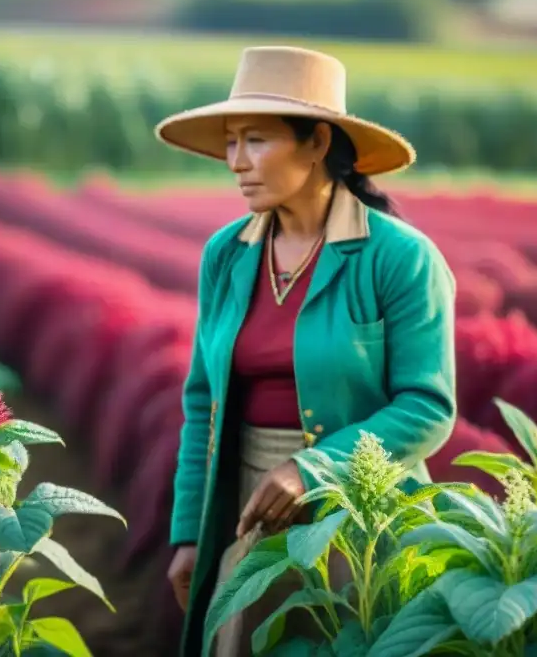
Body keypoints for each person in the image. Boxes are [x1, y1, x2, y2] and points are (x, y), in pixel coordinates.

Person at [154, 46, 457, 656]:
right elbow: (201, 402)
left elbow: (427, 406)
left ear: (318, 143)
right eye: (231, 142)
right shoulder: (228, 254)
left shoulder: (398, 257)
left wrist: (312, 469)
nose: (236, 161)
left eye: (257, 140)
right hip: (243, 502)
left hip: (360, 509)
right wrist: (190, 533)